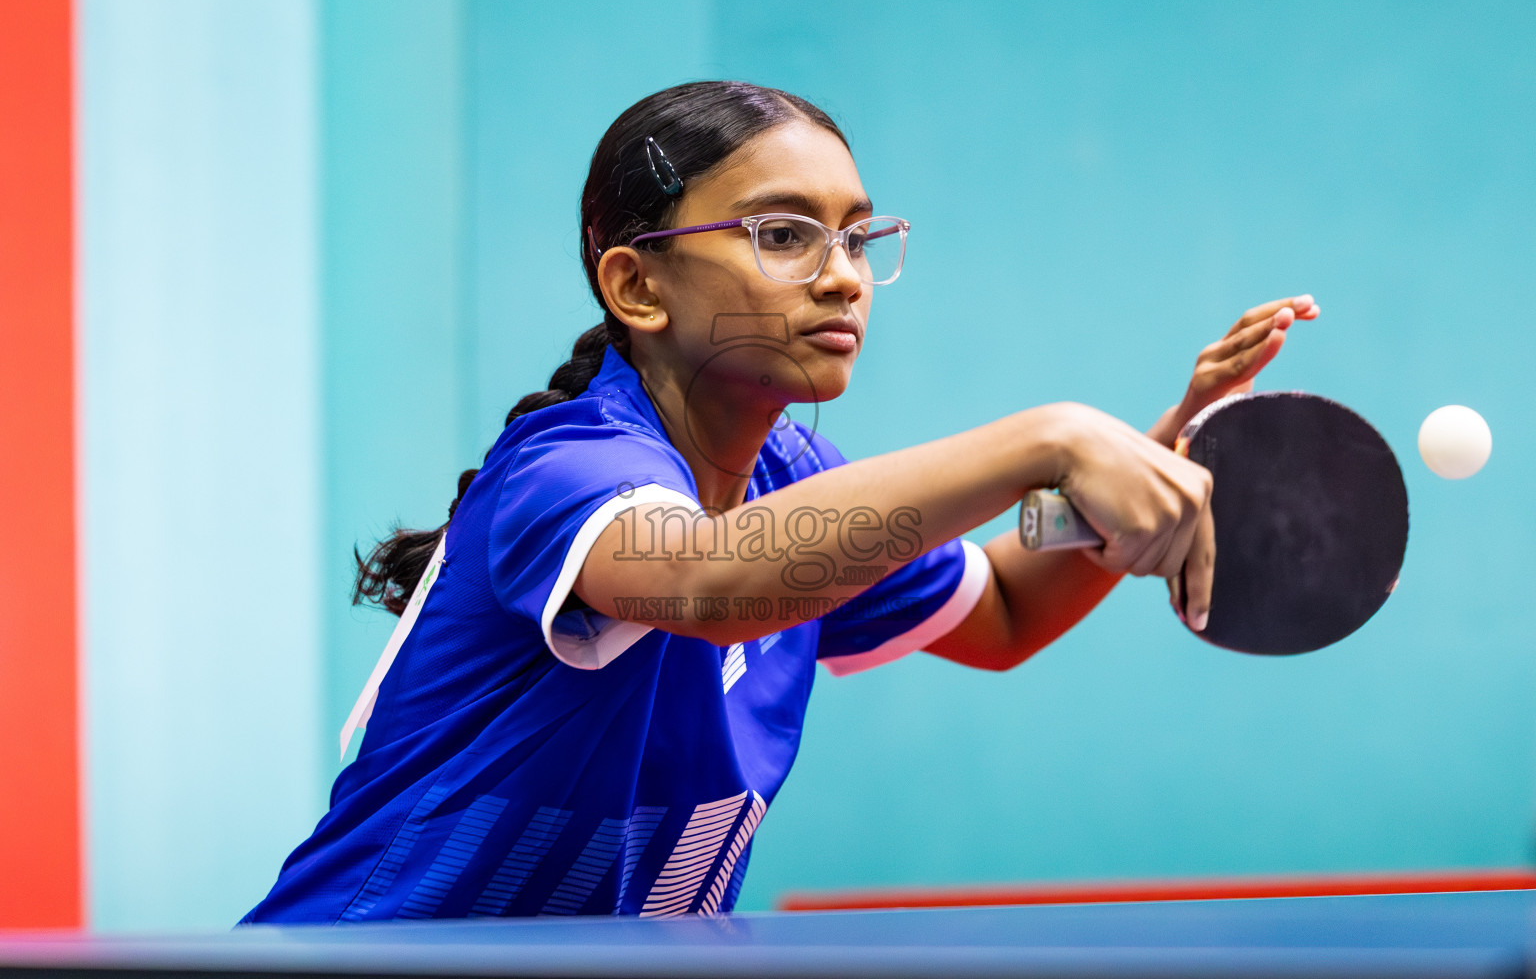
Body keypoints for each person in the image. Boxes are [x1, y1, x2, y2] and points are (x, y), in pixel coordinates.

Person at [241, 81, 1317, 923]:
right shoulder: (563, 469)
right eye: (784, 234)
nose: (843, 275)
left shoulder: (792, 480)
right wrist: (1049, 438)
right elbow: (710, 581)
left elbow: (999, 610)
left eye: (857, 237)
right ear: (637, 286)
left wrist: (1156, 455)